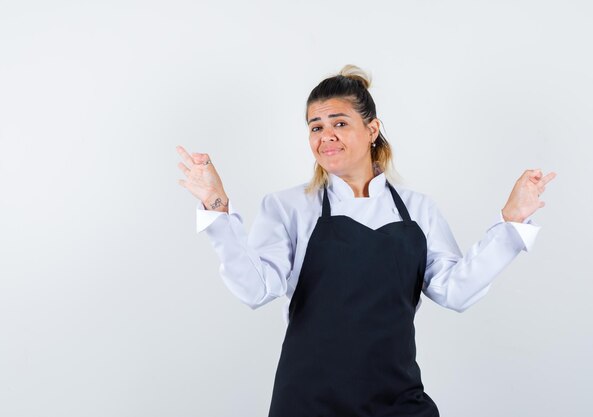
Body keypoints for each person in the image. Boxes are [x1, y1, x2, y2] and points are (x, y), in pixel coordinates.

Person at [176, 64, 556, 417]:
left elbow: (454, 291)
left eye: (339, 122)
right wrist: (216, 207)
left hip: (398, 399)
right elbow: (255, 289)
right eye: (315, 127)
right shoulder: (288, 206)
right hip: (309, 400)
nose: (326, 136)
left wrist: (512, 223)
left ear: (372, 130)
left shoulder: (417, 209)